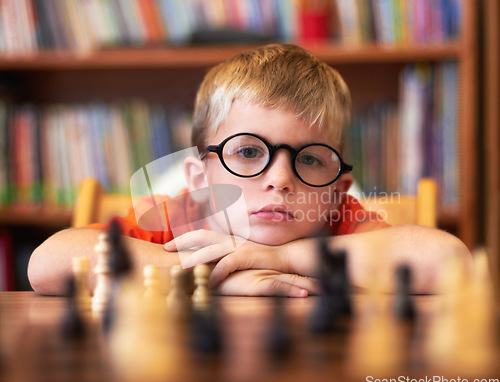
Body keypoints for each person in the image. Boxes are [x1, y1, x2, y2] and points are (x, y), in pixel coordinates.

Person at [28, 44, 471, 296]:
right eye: (247, 153)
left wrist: (282, 258)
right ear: (200, 181)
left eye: (310, 158)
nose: (279, 179)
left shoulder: (339, 223)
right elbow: (47, 264)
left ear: (338, 192)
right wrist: (219, 276)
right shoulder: (181, 218)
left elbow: (451, 262)